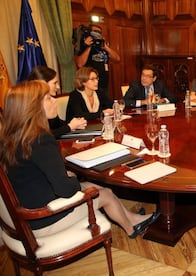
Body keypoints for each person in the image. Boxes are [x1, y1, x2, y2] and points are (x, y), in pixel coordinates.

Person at [0, 80, 160, 239]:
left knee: (98, 188)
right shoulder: (41, 139)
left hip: (25, 211)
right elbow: (65, 190)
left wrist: (66, 177)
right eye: (48, 98)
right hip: (43, 219)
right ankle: (132, 229)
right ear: (33, 107)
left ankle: (133, 220)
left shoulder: (12, 137)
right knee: (105, 195)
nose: (54, 99)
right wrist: (72, 178)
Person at [27, 66, 87, 139]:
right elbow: (43, 136)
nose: (58, 87)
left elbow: (57, 123)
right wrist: (70, 127)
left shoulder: (50, 102)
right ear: (43, 83)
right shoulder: (30, 107)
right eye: (55, 83)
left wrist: (76, 123)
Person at [74, 23, 120, 99]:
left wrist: (105, 47)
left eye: (99, 32)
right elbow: (80, 64)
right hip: (90, 85)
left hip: (103, 84)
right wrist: (89, 46)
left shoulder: (102, 46)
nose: (97, 34)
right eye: (95, 32)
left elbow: (117, 59)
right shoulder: (84, 46)